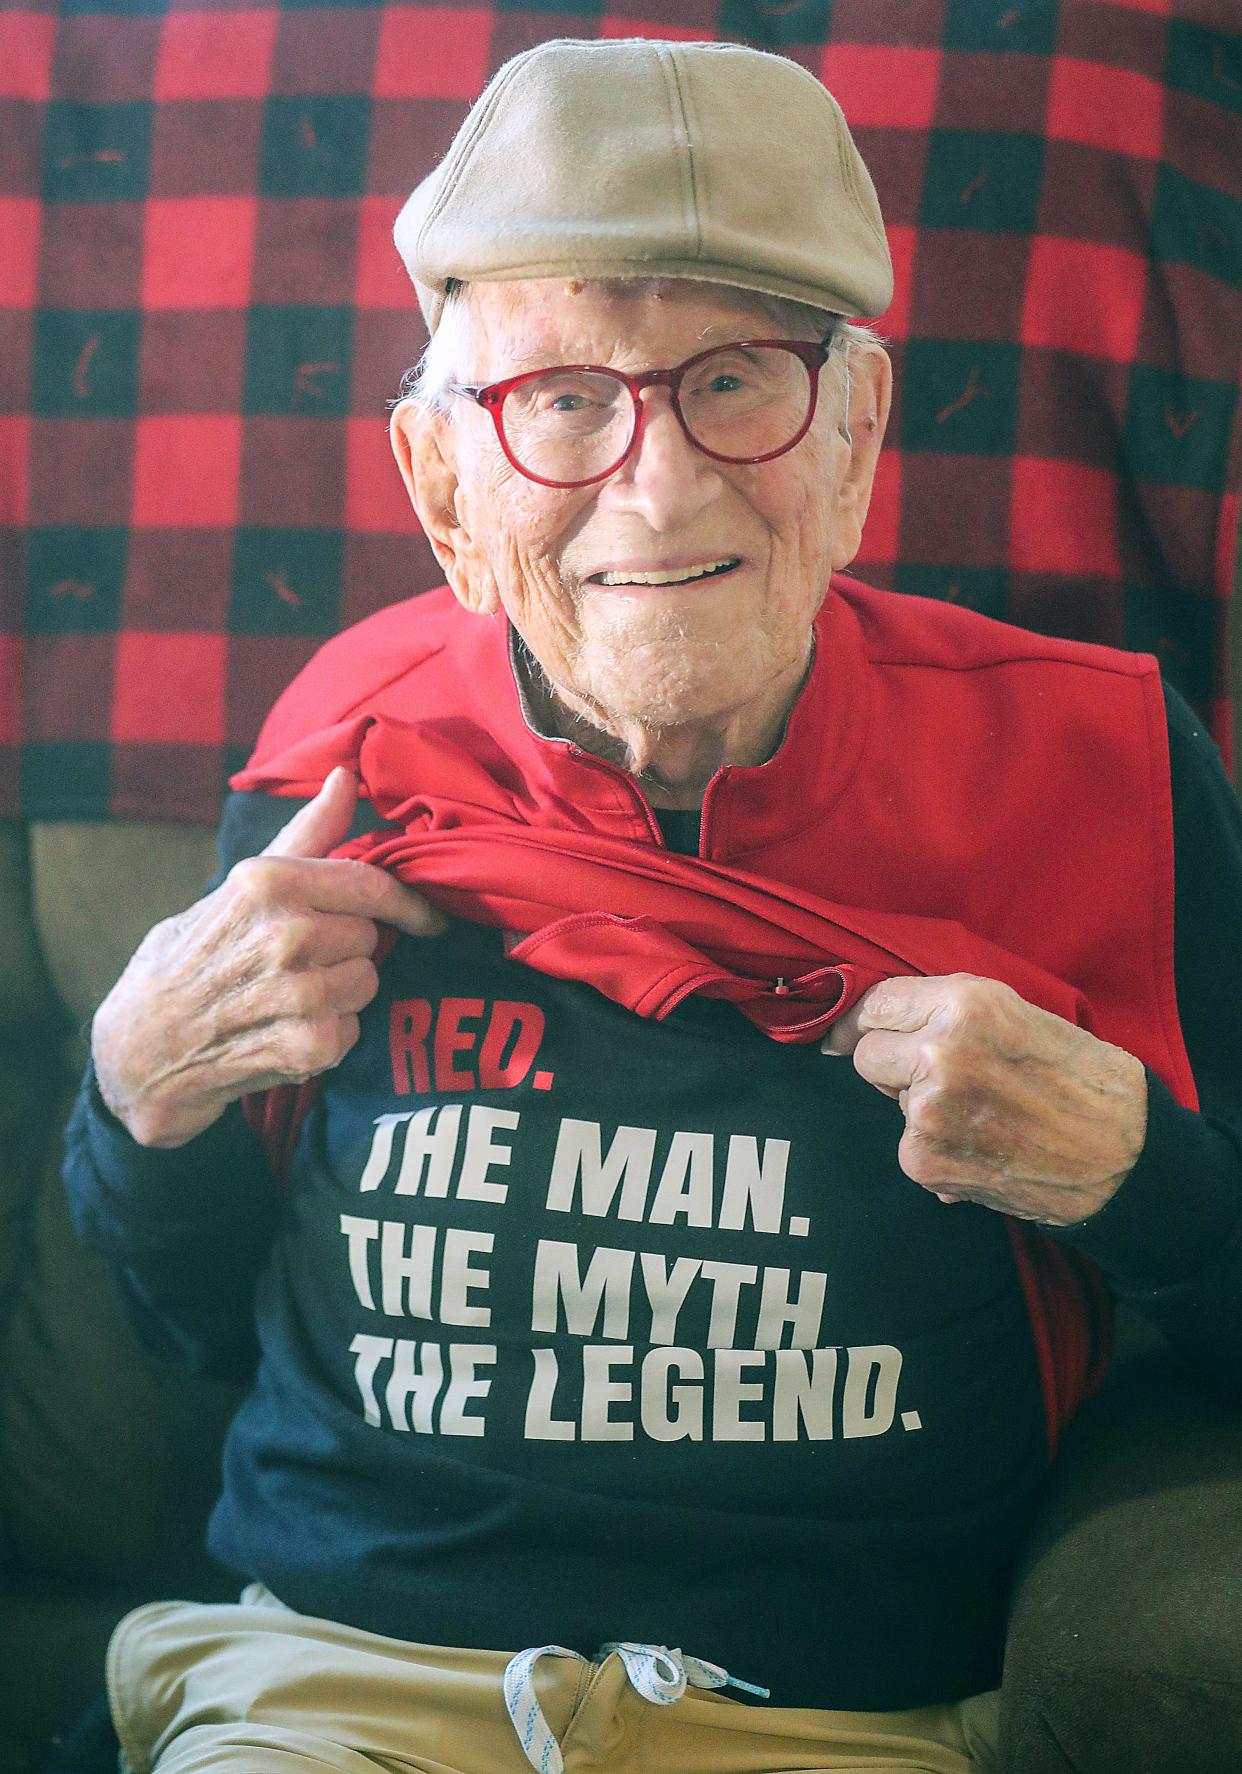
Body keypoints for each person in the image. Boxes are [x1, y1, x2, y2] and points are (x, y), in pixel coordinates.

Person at [64, 36, 1242, 1774]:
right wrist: (135, 1094)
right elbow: (188, 1319)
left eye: (738, 380)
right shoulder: (345, 739)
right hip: (328, 1689)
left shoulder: (1099, 765)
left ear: (852, 438)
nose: (660, 483)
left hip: (842, 1724)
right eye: (562, 398)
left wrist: (1139, 1170)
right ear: (441, 485)